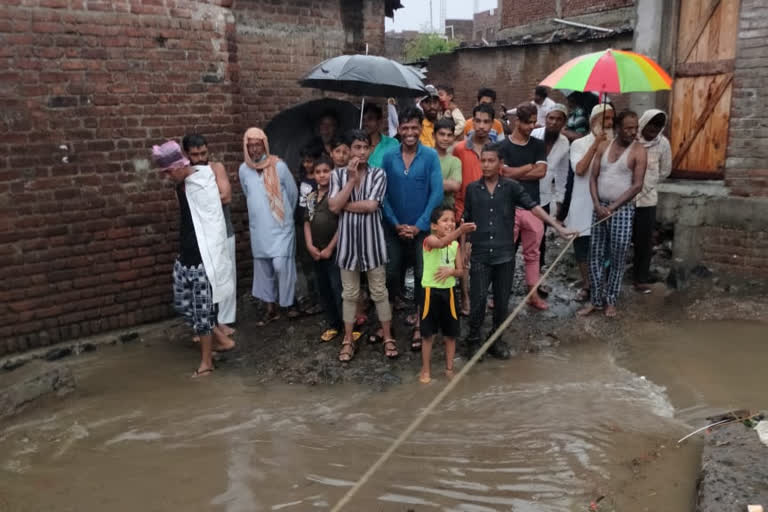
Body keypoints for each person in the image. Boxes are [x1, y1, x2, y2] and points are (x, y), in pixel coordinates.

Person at [462, 143, 576, 359]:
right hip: (480, 256)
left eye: (491, 161)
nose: (486, 165)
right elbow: (467, 218)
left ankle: (496, 340)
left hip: (505, 256)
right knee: (477, 302)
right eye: (483, 161)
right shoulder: (472, 189)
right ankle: (473, 340)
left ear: (500, 164)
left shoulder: (511, 187)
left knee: (502, 302)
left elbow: (533, 206)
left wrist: (559, 227)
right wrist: (465, 244)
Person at [152, 140, 235, 378]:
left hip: (202, 258)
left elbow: (215, 217)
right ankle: (220, 340)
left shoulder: (204, 181)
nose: (167, 176)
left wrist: (214, 256)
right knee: (182, 302)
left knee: (202, 313)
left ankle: (207, 362)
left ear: (179, 166)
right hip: (185, 253)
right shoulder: (182, 185)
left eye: (169, 171)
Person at [328, 130, 396, 361]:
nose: (361, 152)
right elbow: (333, 206)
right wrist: (352, 182)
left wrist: (343, 205)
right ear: (349, 151)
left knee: (379, 291)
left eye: (365, 147)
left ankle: (388, 337)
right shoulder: (337, 176)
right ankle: (348, 340)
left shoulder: (379, 174)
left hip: (373, 244)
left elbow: (371, 206)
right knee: (349, 294)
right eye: (356, 147)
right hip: (347, 246)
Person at [382, 106, 444, 352]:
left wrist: (419, 225)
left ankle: (420, 322)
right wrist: (395, 223)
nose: (409, 132)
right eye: (405, 127)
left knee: (421, 276)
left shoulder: (429, 157)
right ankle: (386, 325)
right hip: (394, 228)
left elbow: (437, 193)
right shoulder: (389, 157)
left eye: (414, 128)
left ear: (420, 129)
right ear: (399, 129)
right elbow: (382, 194)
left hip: (422, 230)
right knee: (390, 274)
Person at [578, 111, 647, 318]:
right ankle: (596, 300)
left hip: (622, 211)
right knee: (595, 255)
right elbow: (593, 178)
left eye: (635, 127)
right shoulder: (603, 145)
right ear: (617, 127)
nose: (633, 132)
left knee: (617, 257)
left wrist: (613, 207)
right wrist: (598, 205)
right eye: (628, 128)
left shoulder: (639, 151)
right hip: (599, 208)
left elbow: (637, 185)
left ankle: (611, 301)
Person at [239, 128, 299, 326]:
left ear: (264, 145)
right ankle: (270, 308)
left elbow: (292, 194)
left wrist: (282, 215)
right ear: (246, 147)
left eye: (258, 144)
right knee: (263, 268)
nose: (255, 149)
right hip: (259, 228)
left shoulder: (279, 166)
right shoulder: (243, 170)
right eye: (251, 145)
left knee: (282, 265)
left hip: (280, 226)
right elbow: (248, 193)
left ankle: (288, 304)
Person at [181, 133, 237, 336]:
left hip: (223, 231)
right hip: (199, 237)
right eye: (195, 155)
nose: (200, 158)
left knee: (224, 276)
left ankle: (223, 321)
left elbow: (226, 196)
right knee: (204, 282)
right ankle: (208, 325)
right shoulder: (184, 174)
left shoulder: (216, 168)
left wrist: (200, 199)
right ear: (187, 154)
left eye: (203, 153)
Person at [498, 104, 549, 310]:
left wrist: (516, 171)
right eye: (527, 122)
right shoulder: (503, 146)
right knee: (504, 254)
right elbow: (503, 173)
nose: (531, 126)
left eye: (533, 122)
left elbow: (541, 172)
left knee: (533, 254)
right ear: (517, 121)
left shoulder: (538, 144)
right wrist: (529, 167)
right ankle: (499, 295)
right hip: (509, 208)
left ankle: (533, 294)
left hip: (532, 207)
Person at [419, 207, 476, 384]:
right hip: (430, 292)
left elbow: (461, 271)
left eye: (452, 220)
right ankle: (425, 370)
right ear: (434, 226)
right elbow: (439, 244)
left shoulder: (455, 245)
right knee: (428, 335)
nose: (450, 223)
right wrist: (460, 230)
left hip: (449, 293)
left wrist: (452, 271)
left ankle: (449, 369)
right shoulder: (429, 240)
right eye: (445, 220)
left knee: (451, 334)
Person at [565, 104, 614, 302]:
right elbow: (579, 169)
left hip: (605, 201)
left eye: (612, 119)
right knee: (583, 245)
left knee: (605, 246)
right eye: (605, 119)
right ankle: (587, 284)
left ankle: (603, 285)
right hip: (582, 201)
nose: (610, 123)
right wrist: (595, 145)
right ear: (594, 122)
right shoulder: (579, 144)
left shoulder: (615, 145)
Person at [453, 103, 496, 316]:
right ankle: (465, 295)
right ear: (471, 121)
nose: (481, 126)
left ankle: (483, 294)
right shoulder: (460, 149)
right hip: (464, 210)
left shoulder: (497, 149)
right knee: (464, 256)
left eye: (486, 121)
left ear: (492, 124)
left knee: (487, 254)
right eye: (477, 121)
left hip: (489, 210)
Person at [304, 156, 343, 342]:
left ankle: (348, 325)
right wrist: (309, 245)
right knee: (324, 289)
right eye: (318, 172)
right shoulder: (311, 197)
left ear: (333, 172)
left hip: (334, 251)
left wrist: (329, 248)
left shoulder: (336, 196)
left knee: (338, 288)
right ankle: (333, 324)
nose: (322, 175)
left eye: (325, 171)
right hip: (316, 252)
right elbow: (306, 222)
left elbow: (343, 224)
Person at [634, 109, 672, 292]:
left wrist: (649, 182)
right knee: (620, 239)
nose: (654, 130)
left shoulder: (663, 144)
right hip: (624, 199)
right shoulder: (632, 140)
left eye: (658, 127)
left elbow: (665, 170)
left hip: (647, 199)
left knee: (645, 240)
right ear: (643, 123)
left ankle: (640, 278)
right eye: (651, 125)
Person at [531, 105, 570, 268]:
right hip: (524, 193)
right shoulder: (534, 135)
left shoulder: (564, 143)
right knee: (515, 238)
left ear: (564, 123)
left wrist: (560, 199)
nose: (553, 122)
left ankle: (536, 276)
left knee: (540, 238)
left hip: (545, 197)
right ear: (545, 119)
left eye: (558, 119)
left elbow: (562, 173)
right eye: (551, 118)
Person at [434, 118, 463, 210]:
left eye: (449, 135)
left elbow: (455, 186)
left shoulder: (455, 161)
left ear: (453, 138)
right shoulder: (425, 156)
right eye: (442, 134)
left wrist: (426, 182)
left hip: (447, 210)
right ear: (433, 135)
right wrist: (445, 183)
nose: (445, 138)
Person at [363, 103, 400, 169]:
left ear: (379, 121)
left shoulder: (392, 144)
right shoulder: (358, 145)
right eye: (363, 120)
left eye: (370, 119)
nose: (365, 123)